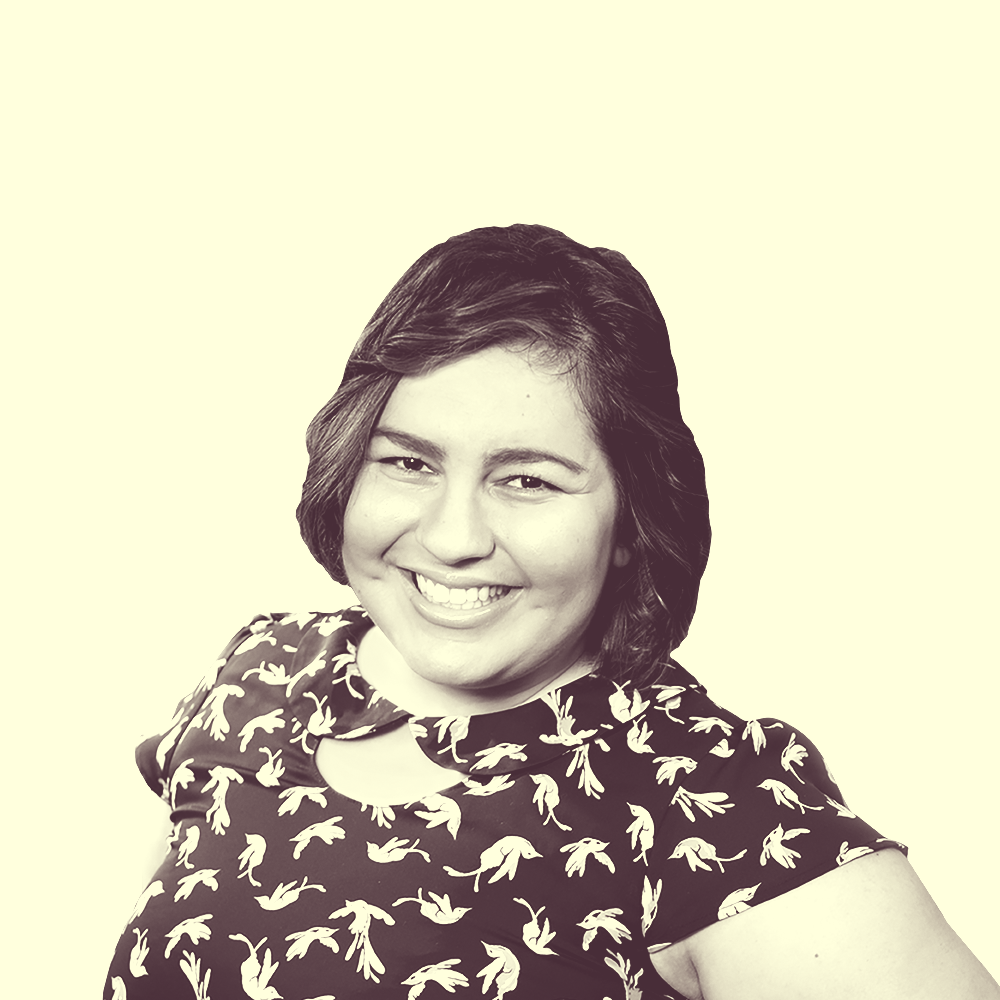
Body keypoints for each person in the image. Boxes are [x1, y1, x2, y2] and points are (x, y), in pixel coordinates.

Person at [105, 224, 999, 1000]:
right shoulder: (262, 676)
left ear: (630, 519)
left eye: (527, 479)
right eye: (408, 462)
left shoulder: (707, 804)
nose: (453, 537)